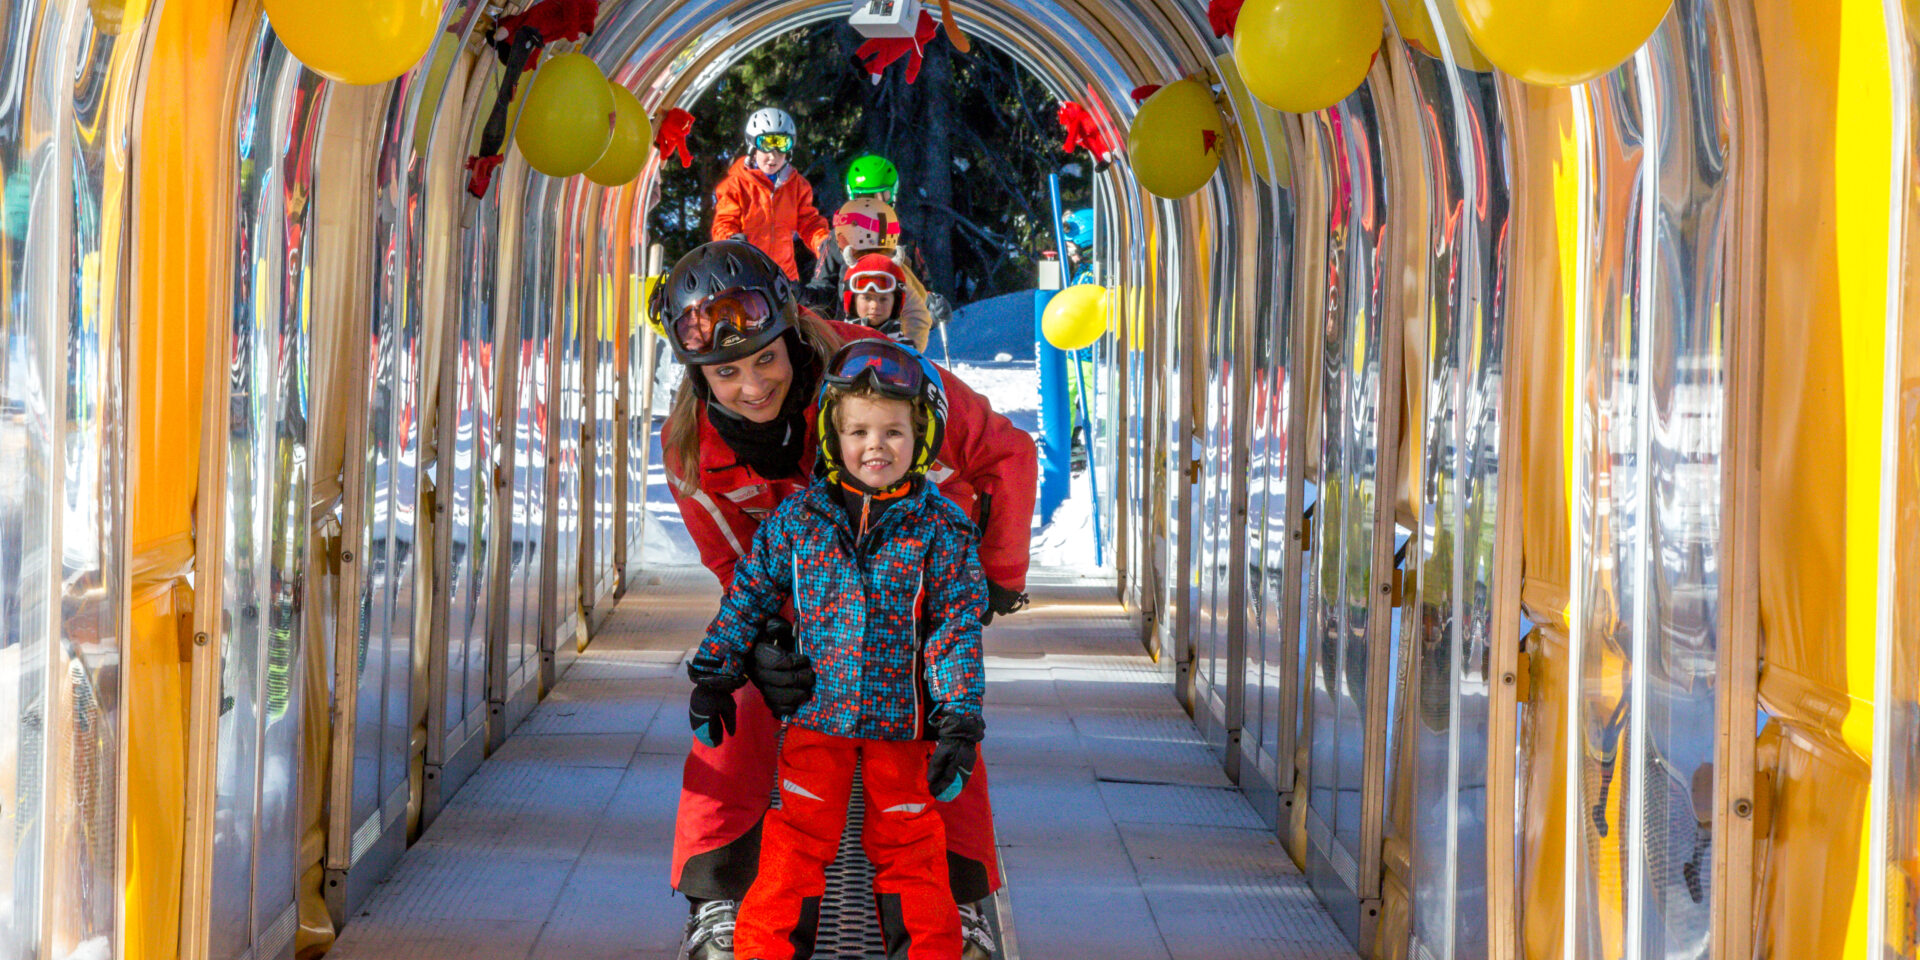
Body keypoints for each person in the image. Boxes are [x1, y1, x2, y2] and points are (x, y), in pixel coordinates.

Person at [653, 239, 1033, 960]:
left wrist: (993, 578)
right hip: (810, 574)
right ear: (700, 375)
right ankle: (722, 899)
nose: (753, 386)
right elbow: (741, 572)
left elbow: (1006, 451)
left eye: (766, 357)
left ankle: (959, 901)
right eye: (726, 371)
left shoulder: (880, 374)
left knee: (940, 709)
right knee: (745, 707)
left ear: (793, 331)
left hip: (908, 553)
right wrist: (762, 646)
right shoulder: (693, 454)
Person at [687, 339, 985, 960]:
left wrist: (958, 717)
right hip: (815, 720)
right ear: (832, 436)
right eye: (858, 432)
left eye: (894, 432)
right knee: (794, 846)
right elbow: (748, 597)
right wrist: (716, 673)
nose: (875, 447)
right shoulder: (799, 521)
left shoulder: (942, 531)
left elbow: (954, 628)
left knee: (912, 851)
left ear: (922, 438)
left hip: (903, 730)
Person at [711, 107, 833, 282]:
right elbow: (724, 223)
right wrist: (732, 241)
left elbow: (809, 224)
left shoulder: (797, 186)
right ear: (753, 147)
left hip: (783, 277)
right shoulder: (735, 185)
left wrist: (824, 244)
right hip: (745, 275)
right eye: (766, 146)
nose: (772, 156)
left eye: (781, 146)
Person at [809, 196, 935, 343]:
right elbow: (823, 288)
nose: (876, 202)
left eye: (882, 194)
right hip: (847, 334)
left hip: (895, 335)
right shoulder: (838, 239)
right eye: (868, 197)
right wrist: (806, 298)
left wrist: (931, 304)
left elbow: (920, 288)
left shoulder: (904, 240)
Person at [844, 252, 931, 350]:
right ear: (852, 301)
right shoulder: (839, 341)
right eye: (867, 298)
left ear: (895, 303)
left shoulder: (905, 350)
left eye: (883, 299)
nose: (875, 305)